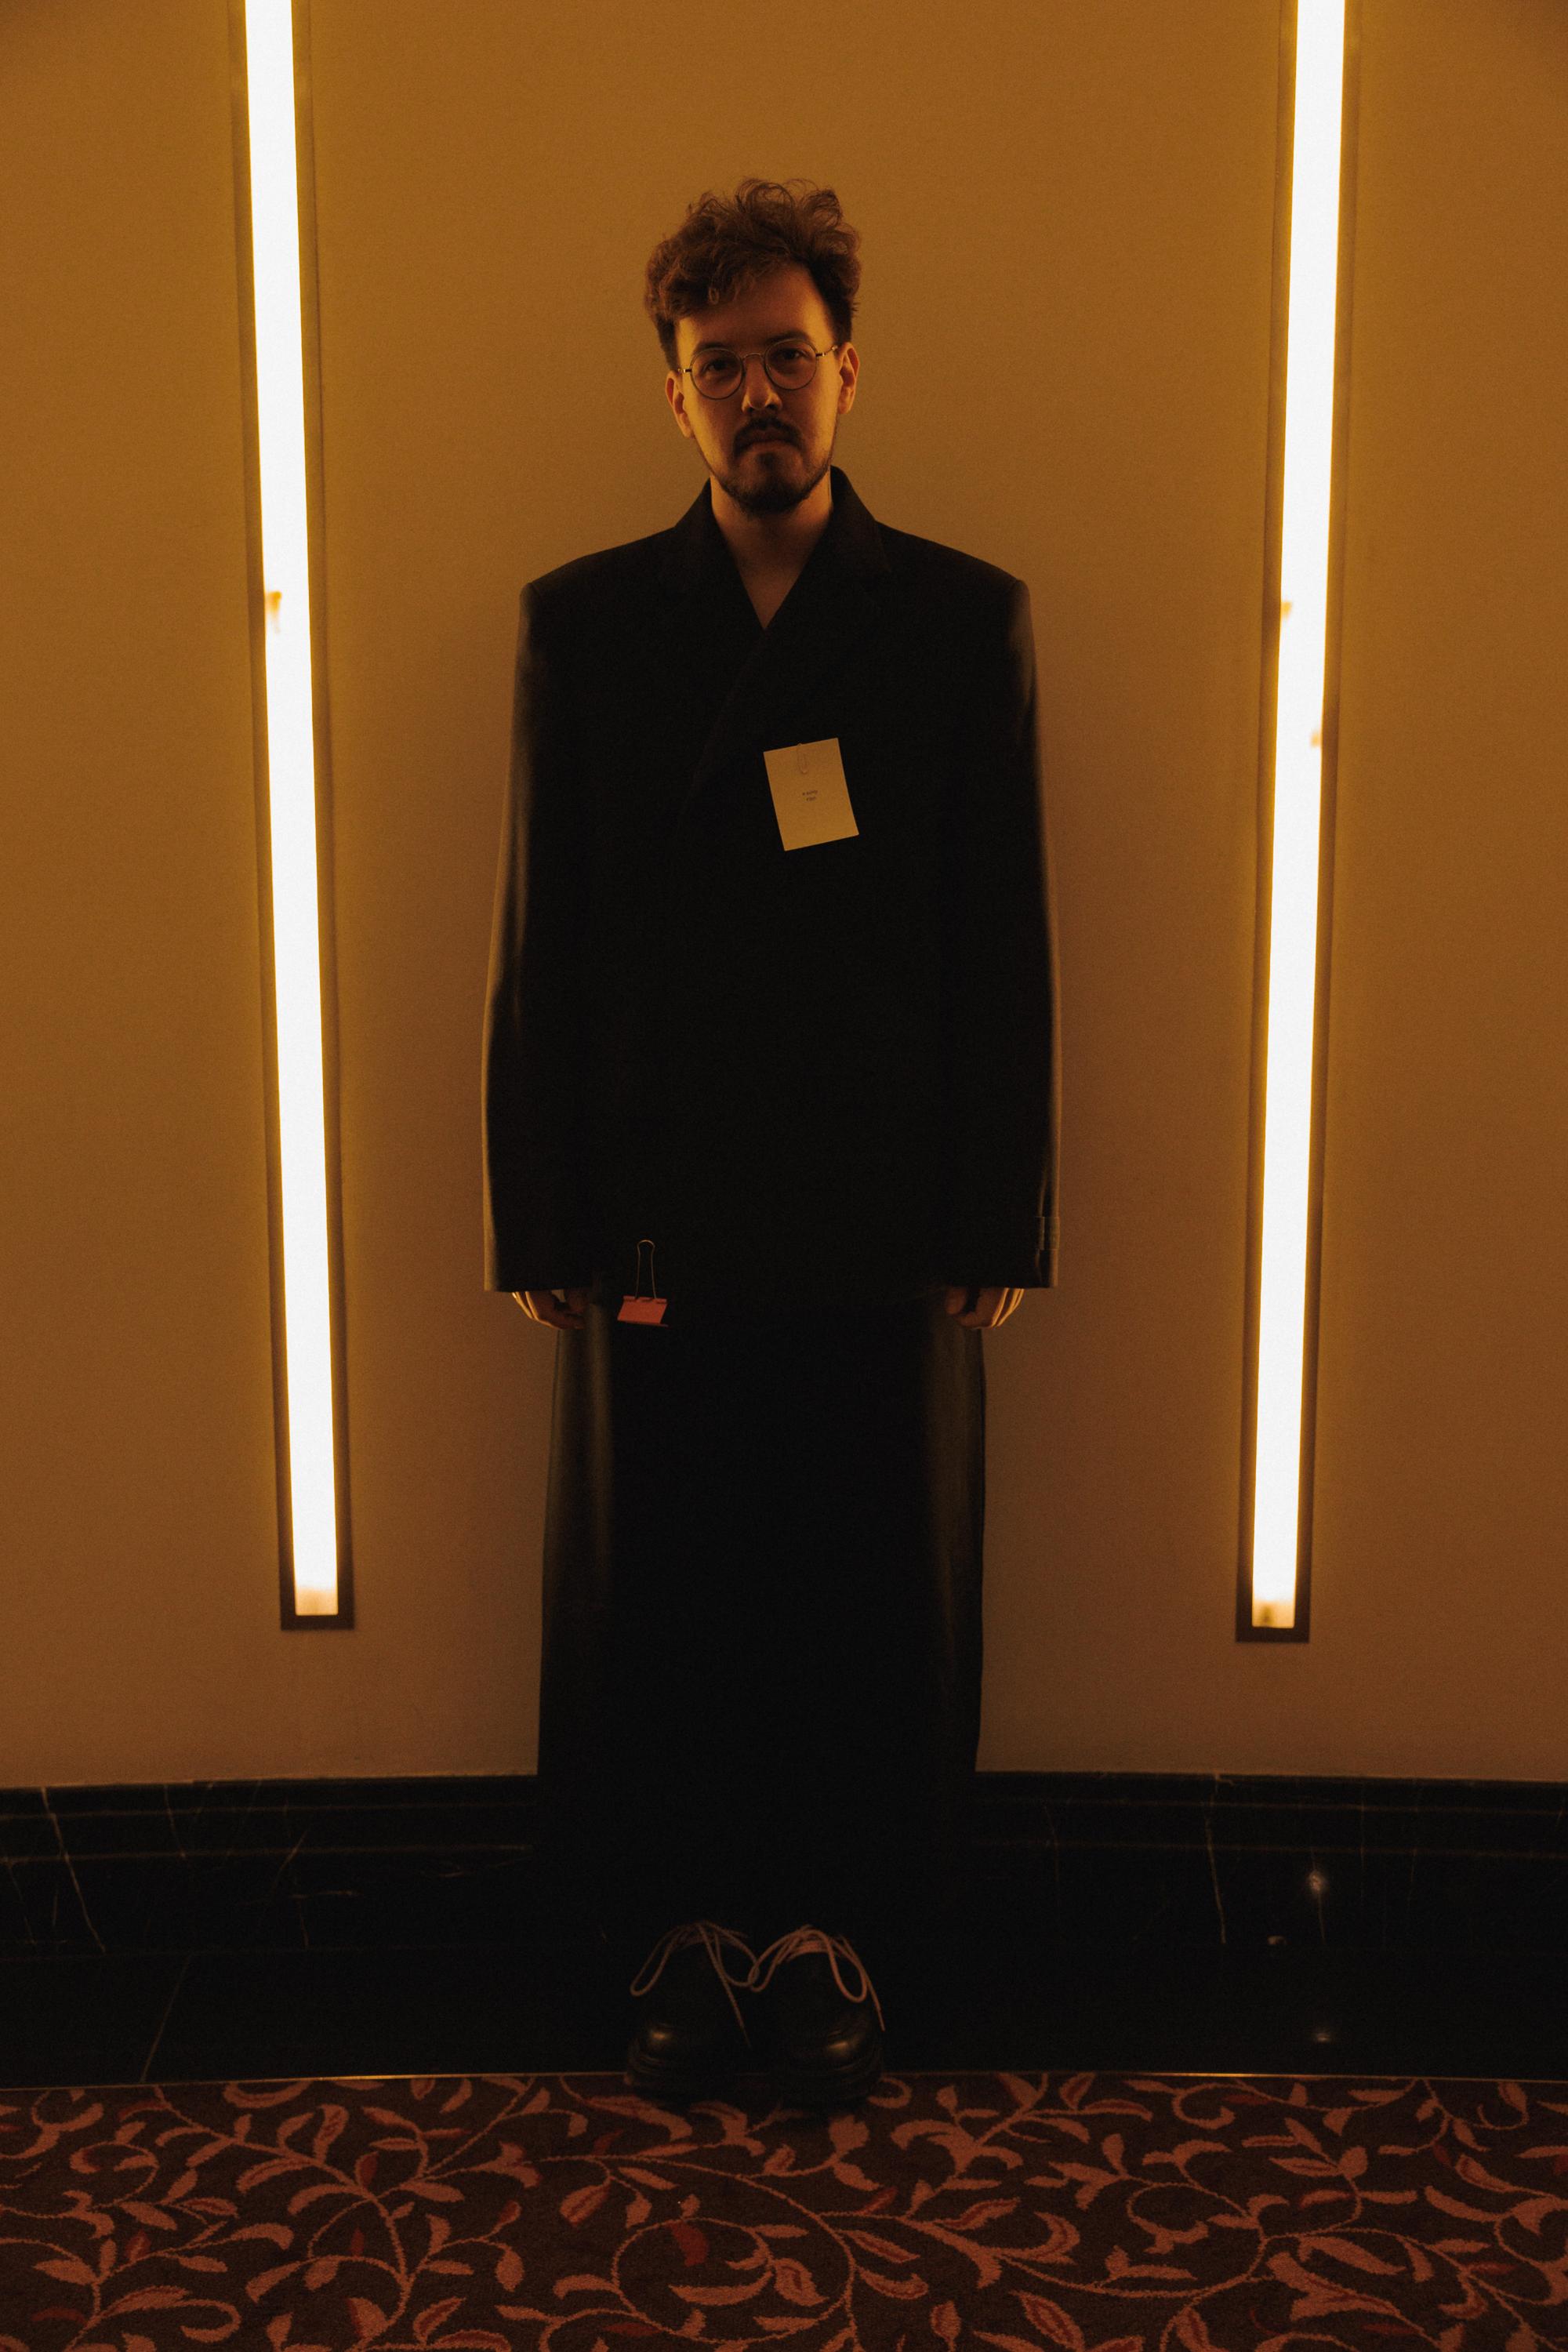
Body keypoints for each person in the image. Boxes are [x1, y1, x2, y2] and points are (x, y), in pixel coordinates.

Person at [481, 178, 1059, 2107]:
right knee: (660, 1585)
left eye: (787, 358)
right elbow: (544, 934)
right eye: (719, 365)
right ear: (674, 395)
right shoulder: (582, 625)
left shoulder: (959, 619)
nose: (758, 395)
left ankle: (848, 1935)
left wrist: (999, 1211)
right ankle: (674, 1935)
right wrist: (537, 1210)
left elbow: (1000, 935)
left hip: (883, 1205)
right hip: (654, 1199)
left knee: (873, 1580)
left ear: (847, 374)